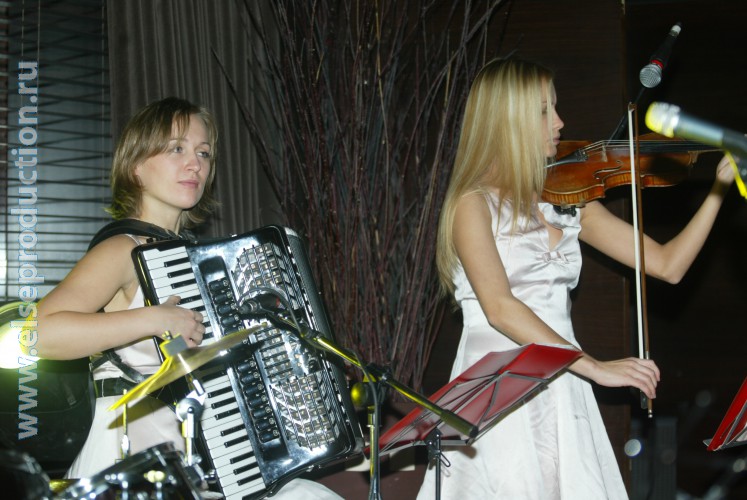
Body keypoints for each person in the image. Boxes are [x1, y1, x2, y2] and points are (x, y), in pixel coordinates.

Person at [416, 58, 734, 499]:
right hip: (500, 383)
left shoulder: (566, 198)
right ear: (507, 121)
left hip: (563, 382)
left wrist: (719, 188)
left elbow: (667, 265)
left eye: (556, 107)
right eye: (544, 111)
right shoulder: (473, 203)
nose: (560, 122)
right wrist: (593, 367)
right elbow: (500, 308)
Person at [37, 97, 343, 499]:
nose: (195, 164)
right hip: (131, 463)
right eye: (176, 149)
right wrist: (154, 319)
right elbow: (39, 334)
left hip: (195, 460)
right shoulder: (122, 249)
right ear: (135, 165)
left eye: (204, 153)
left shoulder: (196, 260)